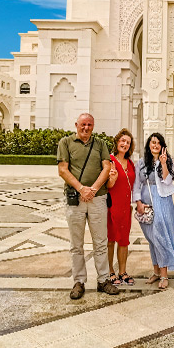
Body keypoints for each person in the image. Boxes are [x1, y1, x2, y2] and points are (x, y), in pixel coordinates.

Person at [57, 113, 116, 299]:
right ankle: (79, 281)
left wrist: (94, 189)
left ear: (93, 126)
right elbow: (62, 170)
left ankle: (103, 280)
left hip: (97, 198)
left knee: (100, 242)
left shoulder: (100, 144)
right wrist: (82, 188)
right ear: (76, 125)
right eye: (83, 124)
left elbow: (106, 167)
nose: (86, 128)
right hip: (76, 199)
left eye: (89, 125)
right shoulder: (65, 143)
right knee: (76, 244)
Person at [134, 132, 174, 290]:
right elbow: (136, 184)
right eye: (152, 142)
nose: (155, 145)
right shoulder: (141, 163)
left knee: (161, 236)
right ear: (149, 145)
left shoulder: (167, 160)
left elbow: (168, 181)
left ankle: (164, 274)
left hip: (162, 201)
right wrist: (138, 202)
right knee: (151, 238)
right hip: (146, 202)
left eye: (158, 143)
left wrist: (164, 164)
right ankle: (155, 271)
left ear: (162, 146)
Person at [103, 129, 138, 287]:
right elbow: (107, 185)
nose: (125, 144)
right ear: (117, 142)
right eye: (122, 141)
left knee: (124, 240)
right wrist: (112, 179)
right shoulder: (109, 160)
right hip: (112, 205)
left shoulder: (130, 163)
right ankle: (110, 271)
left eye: (128, 142)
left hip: (126, 207)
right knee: (111, 240)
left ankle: (122, 271)